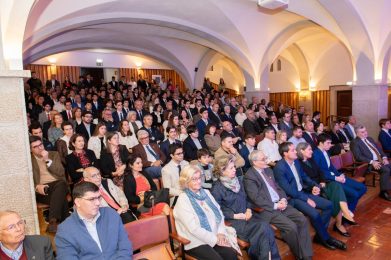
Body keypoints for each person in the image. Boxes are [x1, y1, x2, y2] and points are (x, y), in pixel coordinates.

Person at [274, 142, 346, 251]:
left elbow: (304, 177)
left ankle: (320, 236)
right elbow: (289, 190)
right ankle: (326, 238)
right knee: (315, 214)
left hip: (303, 192)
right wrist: (307, 199)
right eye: (293, 150)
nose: (295, 152)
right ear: (285, 153)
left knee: (329, 205)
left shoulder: (296, 162)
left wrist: (315, 186)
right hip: (292, 198)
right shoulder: (279, 168)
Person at [243, 150, 313, 260]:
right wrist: (275, 206)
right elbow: (255, 198)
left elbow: (278, 187)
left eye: (266, 157)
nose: (266, 160)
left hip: (281, 203)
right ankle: (301, 256)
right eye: (263, 159)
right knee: (291, 227)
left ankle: (307, 254)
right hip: (268, 209)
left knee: (302, 219)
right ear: (255, 162)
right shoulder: (249, 176)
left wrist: (283, 199)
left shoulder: (268, 170)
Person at [211, 155, 281, 260]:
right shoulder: (217, 188)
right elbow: (216, 210)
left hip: (248, 216)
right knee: (264, 228)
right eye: (231, 168)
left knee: (266, 229)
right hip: (234, 222)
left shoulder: (238, 181)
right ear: (222, 170)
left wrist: (248, 209)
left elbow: (247, 198)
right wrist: (234, 215)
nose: (235, 169)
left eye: (234, 166)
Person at [173, 165, 238, 260]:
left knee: (231, 255)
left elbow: (219, 214)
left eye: (199, 177)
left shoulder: (206, 193)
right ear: (186, 181)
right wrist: (215, 240)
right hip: (195, 241)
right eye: (194, 179)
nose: (199, 181)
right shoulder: (183, 200)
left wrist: (220, 232)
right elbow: (193, 229)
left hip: (215, 235)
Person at [55, 182, 133, 259]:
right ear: (78, 202)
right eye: (92, 199)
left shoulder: (111, 215)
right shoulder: (65, 230)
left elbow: (125, 246)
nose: (98, 203)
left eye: (99, 197)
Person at [296, 142, 355, 237]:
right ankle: (340, 223)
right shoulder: (297, 163)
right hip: (312, 189)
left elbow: (320, 171)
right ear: (302, 151)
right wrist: (317, 185)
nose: (312, 151)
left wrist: (323, 181)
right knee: (336, 197)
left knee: (336, 186)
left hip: (322, 183)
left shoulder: (311, 159)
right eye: (309, 150)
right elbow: (304, 180)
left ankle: (345, 213)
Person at [314, 134, 367, 212]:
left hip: (336, 177)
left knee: (363, 188)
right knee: (354, 194)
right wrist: (336, 178)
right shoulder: (316, 154)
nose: (330, 145)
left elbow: (331, 167)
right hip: (329, 181)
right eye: (328, 143)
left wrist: (339, 174)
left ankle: (347, 209)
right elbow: (321, 172)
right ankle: (347, 214)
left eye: (330, 143)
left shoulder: (326, 152)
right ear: (321, 143)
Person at [29, 136, 69, 233]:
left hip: (58, 184)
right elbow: (25, 180)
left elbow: (61, 173)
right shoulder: (29, 160)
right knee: (61, 198)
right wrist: (36, 187)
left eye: (41, 144)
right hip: (43, 190)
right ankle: (66, 225)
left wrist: (47, 160)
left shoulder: (53, 154)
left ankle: (53, 221)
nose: (40, 148)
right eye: (35, 147)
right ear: (30, 149)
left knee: (61, 184)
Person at [350, 125, 391, 201]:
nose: (365, 133)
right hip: (368, 164)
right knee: (386, 170)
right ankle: (383, 192)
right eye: (362, 132)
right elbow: (358, 156)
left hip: (379, 160)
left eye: (365, 131)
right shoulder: (354, 142)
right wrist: (372, 162)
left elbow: (379, 150)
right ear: (357, 133)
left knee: (388, 166)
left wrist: (384, 158)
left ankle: (387, 186)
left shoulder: (370, 139)